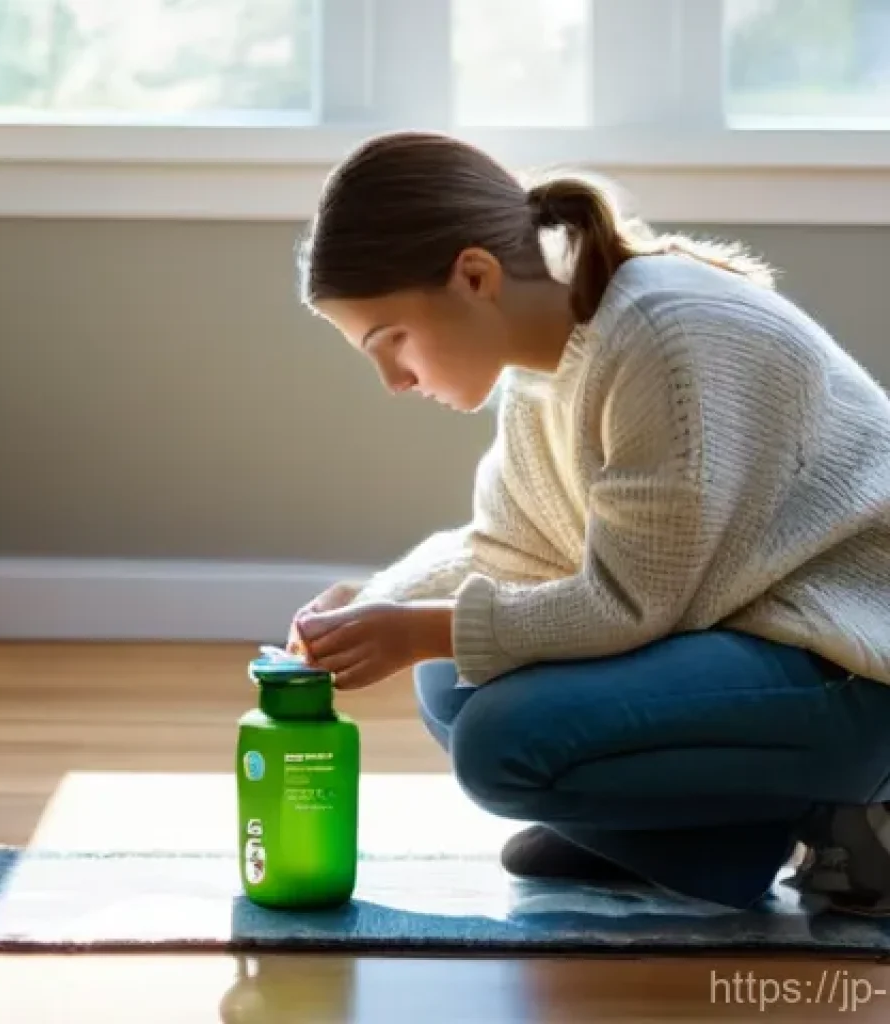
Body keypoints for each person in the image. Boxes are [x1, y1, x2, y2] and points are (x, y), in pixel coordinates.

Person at [286, 130, 890, 916]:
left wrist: (413, 629)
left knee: (500, 741)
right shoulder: (549, 366)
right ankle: (720, 844)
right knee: (449, 678)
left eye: (389, 341)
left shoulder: (660, 338)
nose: (393, 380)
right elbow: (508, 548)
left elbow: (629, 606)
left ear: (474, 275)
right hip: (748, 636)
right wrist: (375, 602)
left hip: (852, 661)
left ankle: (844, 811)